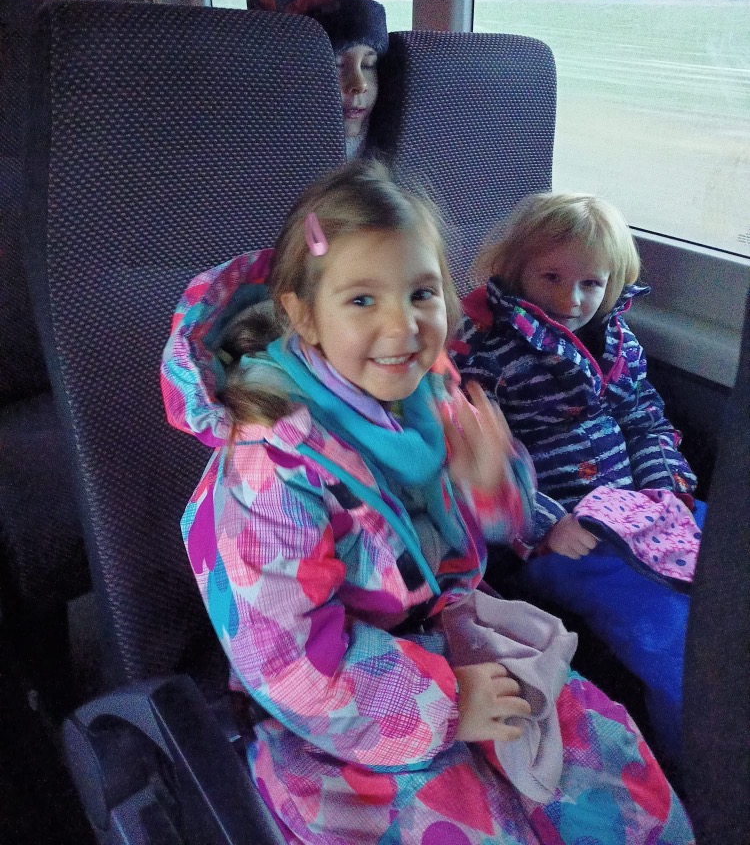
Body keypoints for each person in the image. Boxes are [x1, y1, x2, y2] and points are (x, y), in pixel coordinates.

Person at [161, 162, 694, 844]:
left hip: (452, 631)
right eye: (363, 300)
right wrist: (447, 704)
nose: (403, 325)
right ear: (303, 316)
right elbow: (286, 657)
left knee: (618, 796)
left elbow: (494, 523)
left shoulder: (431, 396)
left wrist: (493, 488)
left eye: (422, 293)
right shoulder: (268, 471)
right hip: (338, 702)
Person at [451, 191, 703, 772]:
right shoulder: (491, 354)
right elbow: (483, 461)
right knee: (674, 640)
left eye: (591, 283)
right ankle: (700, 764)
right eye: (552, 277)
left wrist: (666, 487)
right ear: (515, 271)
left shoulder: (619, 343)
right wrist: (547, 524)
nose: (572, 299)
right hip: (564, 535)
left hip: (644, 508)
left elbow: (644, 420)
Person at [246, 0, 387, 160]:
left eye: (368, 65)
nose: (359, 84)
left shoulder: (389, 138)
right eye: (336, 64)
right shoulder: (257, 149)